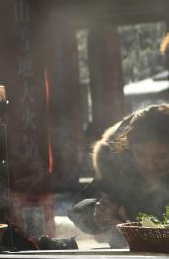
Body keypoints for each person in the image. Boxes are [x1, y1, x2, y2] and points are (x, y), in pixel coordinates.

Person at [70, 104, 169, 246]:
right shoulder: (120, 171)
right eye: (140, 154)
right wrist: (100, 214)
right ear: (129, 147)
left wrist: (126, 226)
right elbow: (78, 210)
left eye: (161, 157)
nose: (150, 165)